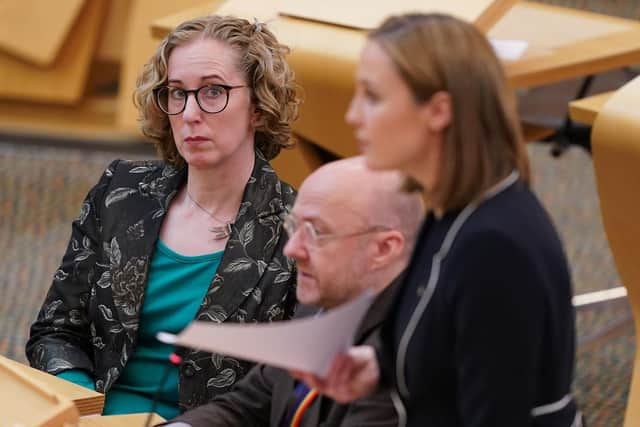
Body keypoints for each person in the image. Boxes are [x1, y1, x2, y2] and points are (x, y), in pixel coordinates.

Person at [296, 13, 582, 427]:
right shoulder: (450, 208)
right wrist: (377, 364)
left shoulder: (493, 247)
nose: (353, 116)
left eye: (372, 97)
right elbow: (441, 345)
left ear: (437, 111)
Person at [26, 15, 299, 419]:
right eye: (176, 93)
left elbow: (287, 384)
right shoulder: (121, 191)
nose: (190, 113)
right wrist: (84, 409)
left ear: (258, 107)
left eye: (212, 91)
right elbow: (56, 332)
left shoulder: (299, 226)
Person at [160, 156, 424, 427]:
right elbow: (247, 406)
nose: (292, 249)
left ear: (384, 249)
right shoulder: (322, 303)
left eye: (316, 232)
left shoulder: (410, 351)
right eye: (294, 227)